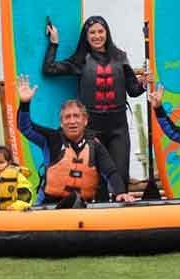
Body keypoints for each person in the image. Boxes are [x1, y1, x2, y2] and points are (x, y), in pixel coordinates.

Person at [43, 16, 148, 199]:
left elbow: (133, 90)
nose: (97, 36)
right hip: (92, 129)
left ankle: (121, 211)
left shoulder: (120, 57)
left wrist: (144, 84)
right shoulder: (80, 60)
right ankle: (99, 212)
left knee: (120, 175)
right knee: (97, 179)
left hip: (118, 127)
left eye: (100, 31)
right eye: (92, 32)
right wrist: (54, 43)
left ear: (107, 33)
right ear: (86, 36)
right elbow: (49, 69)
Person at [16, 75, 136, 206]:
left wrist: (120, 192)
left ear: (85, 121)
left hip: (82, 207)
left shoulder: (95, 145)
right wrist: (24, 103)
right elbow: (25, 128)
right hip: (49, 206)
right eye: (67, 117)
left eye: (76, 116)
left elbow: (110, 172)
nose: (72, 121)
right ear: (61, 123)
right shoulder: (50, 139)